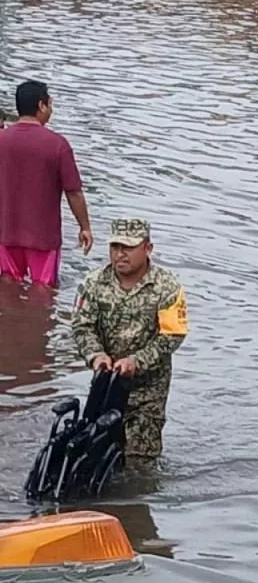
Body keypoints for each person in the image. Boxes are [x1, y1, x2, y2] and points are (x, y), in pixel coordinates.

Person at [73, 219, 188, 463]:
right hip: (106, 384)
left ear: (147, 248)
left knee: (140, 460)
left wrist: (137, 361)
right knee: (96, 452)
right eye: (114, 247)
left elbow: (173, 334)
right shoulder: (94, 283)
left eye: (128, 248)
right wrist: (95, 355)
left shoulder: (167, 287)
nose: (119, 254)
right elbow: (82, 326)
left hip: (149, 390)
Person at [0, 81, 93, 287]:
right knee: (43, 292)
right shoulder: (57, 145)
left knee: (9, 287)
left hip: (6, 233)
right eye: (50, 104)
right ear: (41, 105)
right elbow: (74, 192)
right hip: (43, 238)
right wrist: (84, 227)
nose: (51, 109)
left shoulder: (2, 140)